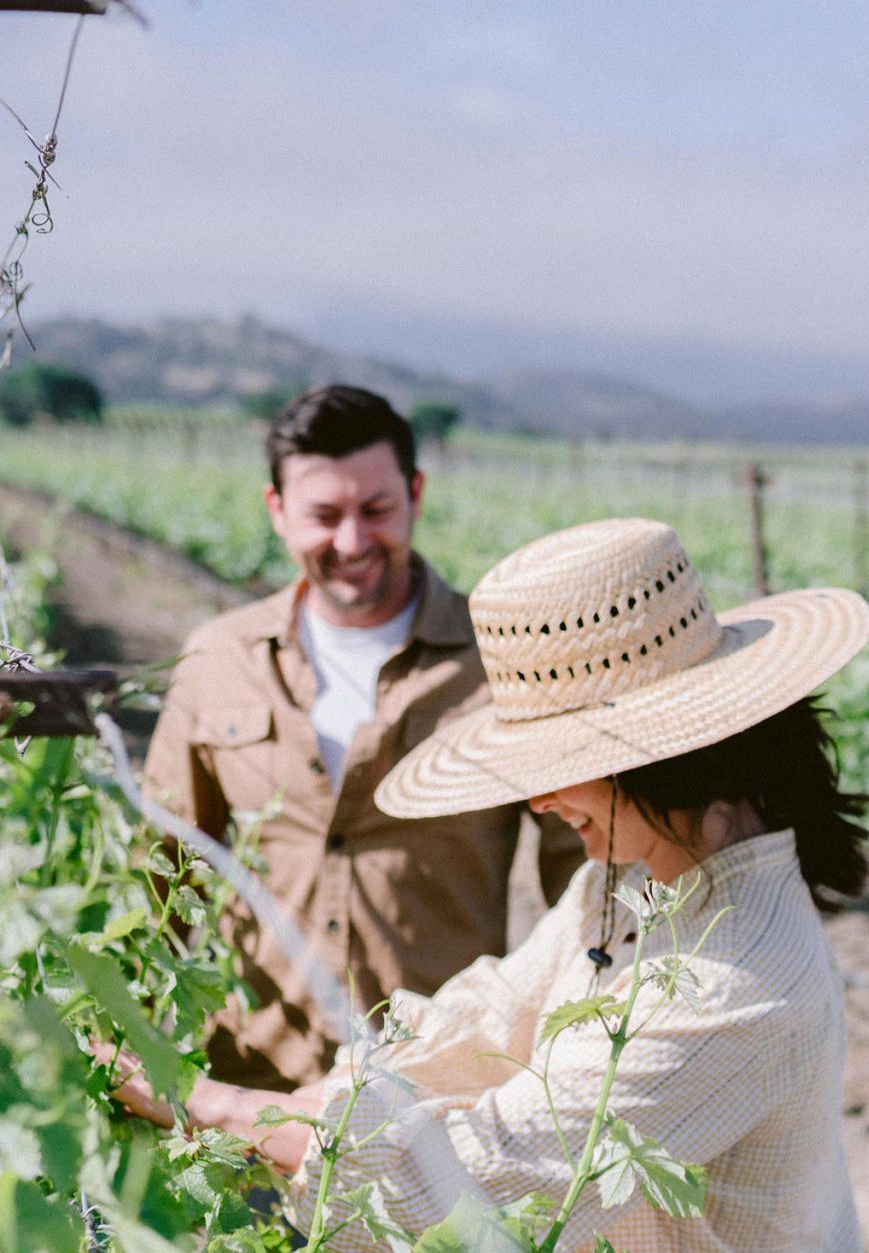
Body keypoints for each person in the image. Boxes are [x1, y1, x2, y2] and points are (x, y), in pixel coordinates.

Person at [114, 517, 869, 1253]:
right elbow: (490, 1014)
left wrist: (212, 1110)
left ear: (659, 756)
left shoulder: (743, 982)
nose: (537, 802)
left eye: (557, 767)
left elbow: (492, 1169)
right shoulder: (639, 881)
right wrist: (326, 1095)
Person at [142, 384, 579, 1087]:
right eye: (324, 516)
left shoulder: (500, 662)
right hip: (254, 1090)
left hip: (441, 1089)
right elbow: (161, 865)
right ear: (276, 510)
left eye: (376, 510)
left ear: (415, 495)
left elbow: (583, 877)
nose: (352, 542)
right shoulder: (218, 659)